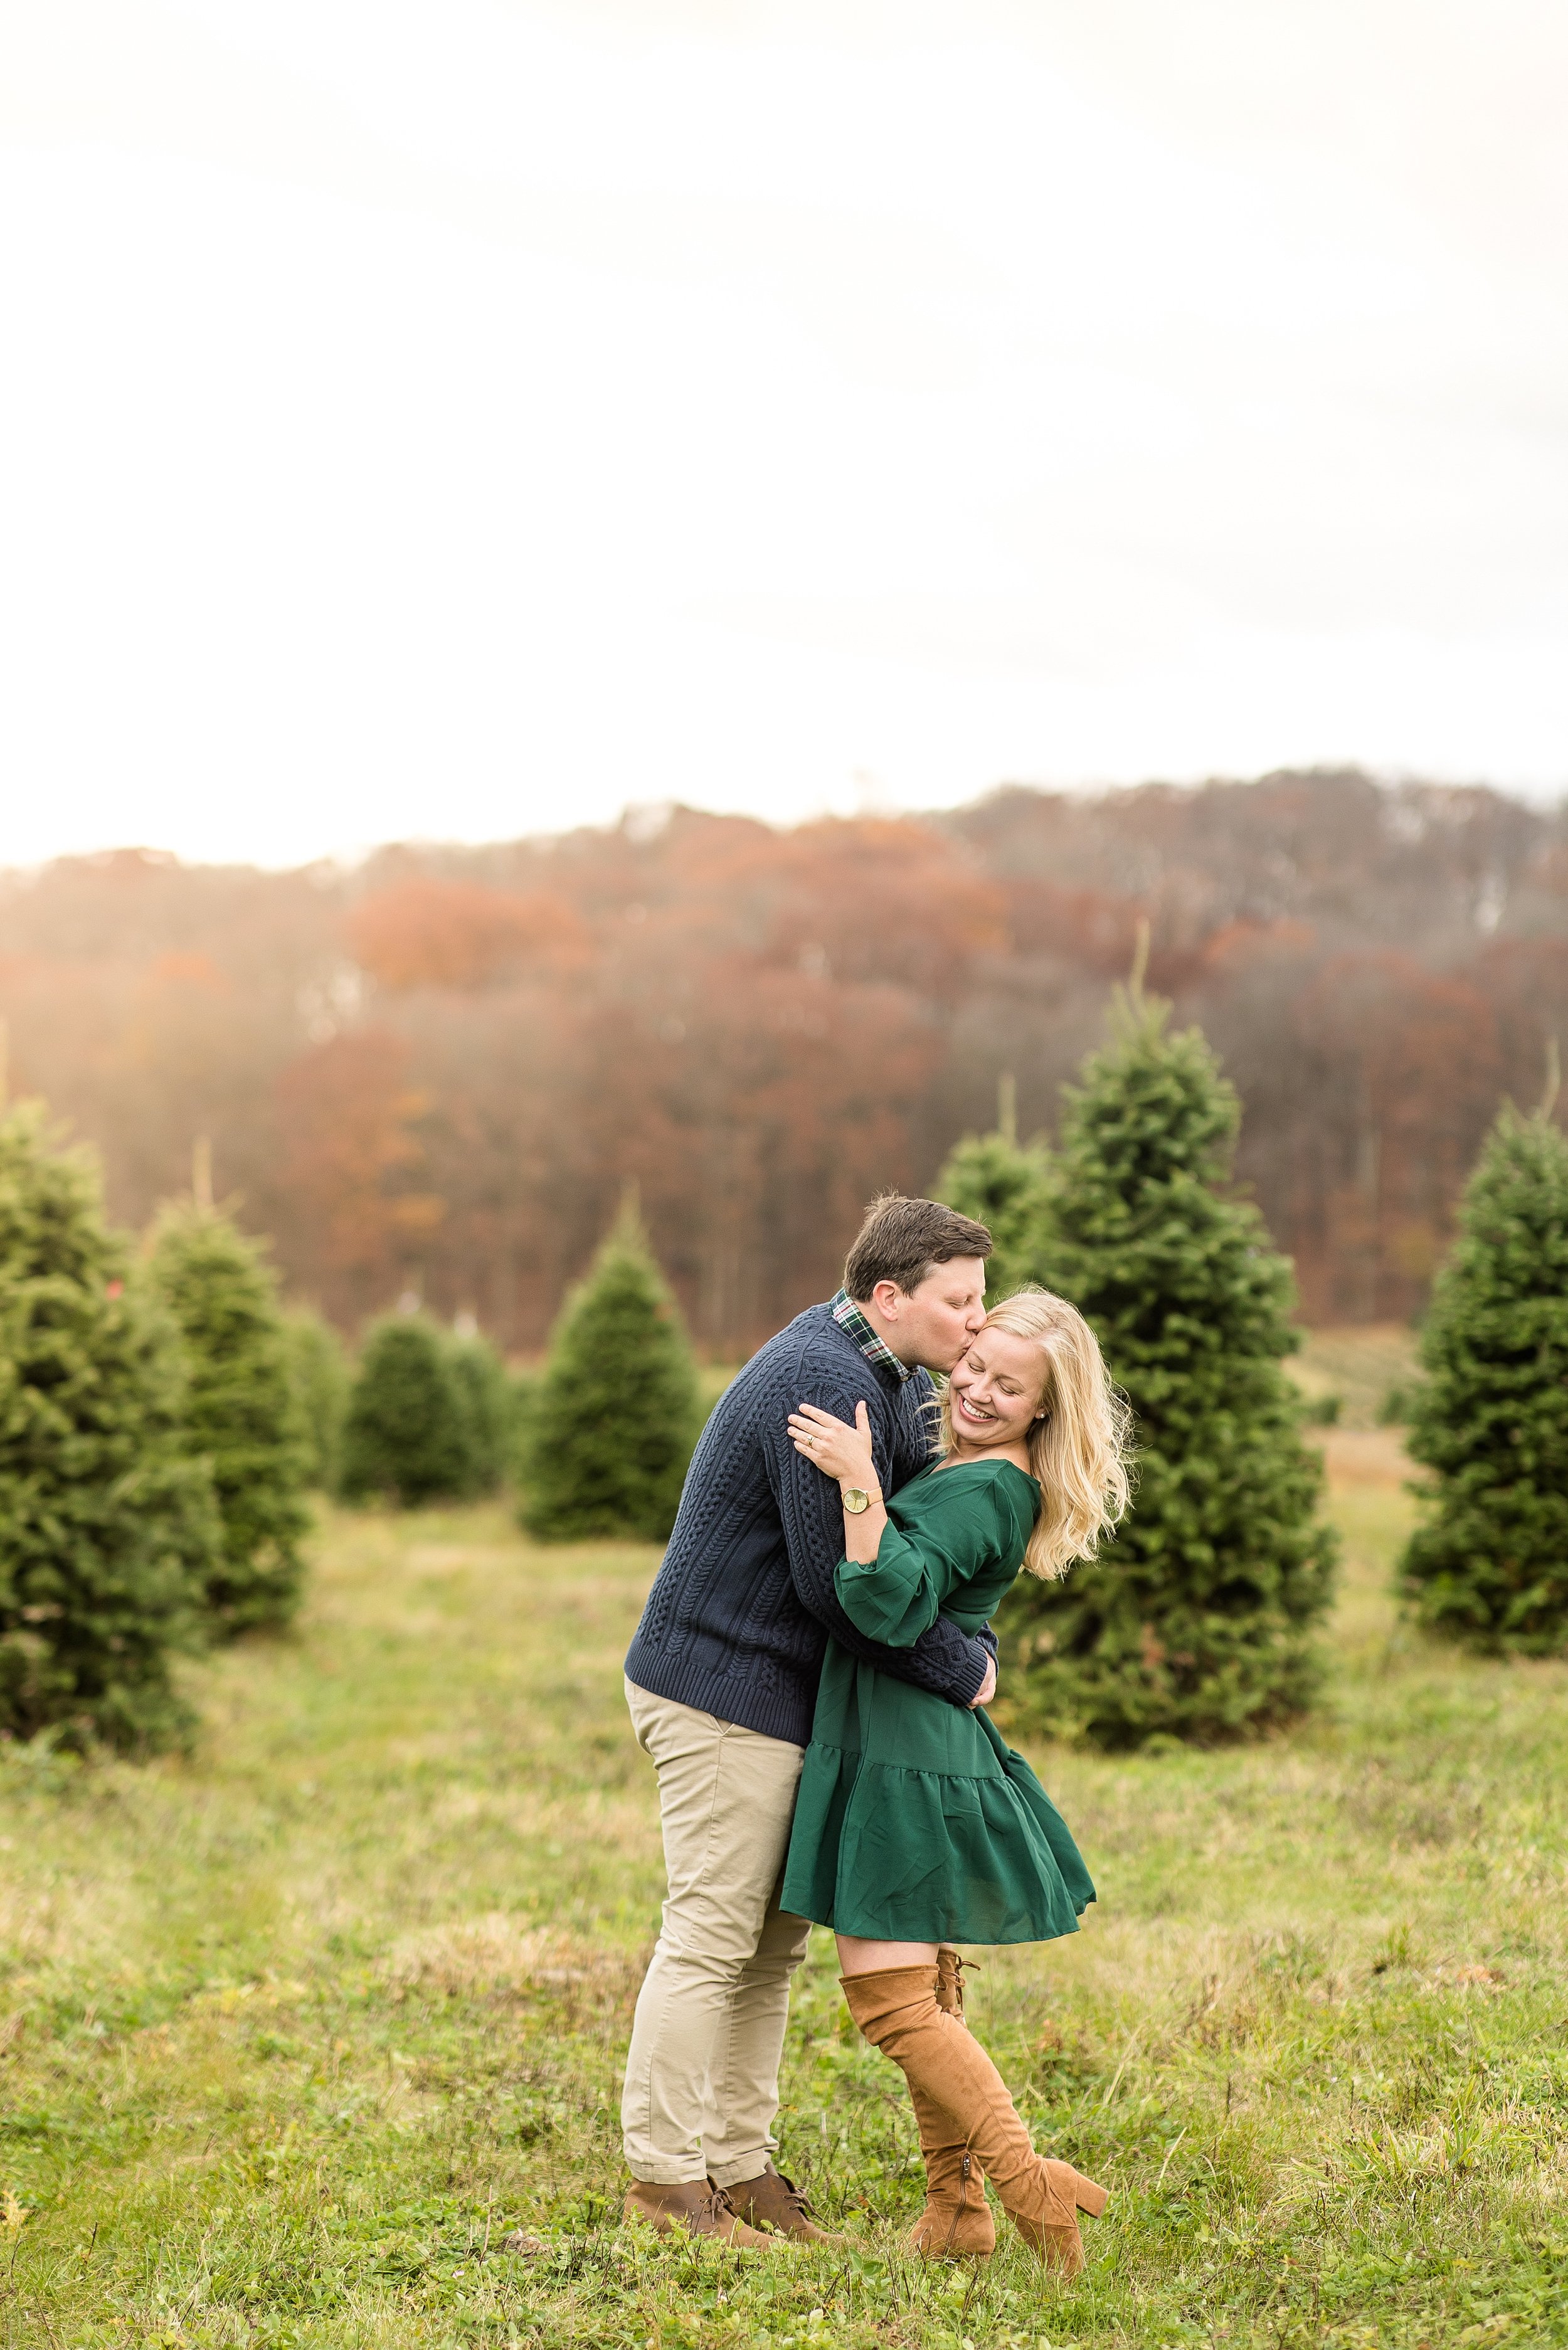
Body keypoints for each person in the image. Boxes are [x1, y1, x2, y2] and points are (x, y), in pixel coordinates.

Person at [618, 1194, 997, 2247]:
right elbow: (842, 1586)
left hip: (780, 1700)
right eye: (958, 1300)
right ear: (891, 1295)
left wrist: (977, 1637)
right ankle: (663, 2183)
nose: (978, 1320)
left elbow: (918, 1545)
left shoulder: (887, 1375)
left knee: (770, 1949)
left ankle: (740, 2171)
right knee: (710, 1937)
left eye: (983, 1299)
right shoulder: (820, 1385)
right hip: (719, 1692)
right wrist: (963, 1670)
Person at [778, 1286, 1132, 2273]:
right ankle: (955, 2211)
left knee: (893, 2007)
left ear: (1044, 1410)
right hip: (908, 1739)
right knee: (922, 1992)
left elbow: (886, 1598)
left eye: (1007, 1386)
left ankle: (1028, 2185)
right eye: (976, 1364)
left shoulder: (984, 1489)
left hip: (904, 1754)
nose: (975, 1387)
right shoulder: (978, 1472)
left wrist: (857, 1482)